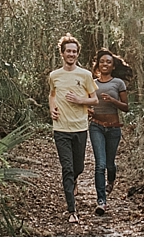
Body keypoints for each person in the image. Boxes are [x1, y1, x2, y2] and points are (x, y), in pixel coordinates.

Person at [48, 33, 97, 224]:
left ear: (78, 54)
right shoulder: (54, 76)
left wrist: (80, 100)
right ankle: (72, 210)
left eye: (74, 51)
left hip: (80, 127)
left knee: (78, 167)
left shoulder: (85, 75)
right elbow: (52, 95)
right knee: (67, 168)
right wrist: (52, 109)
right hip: (61, 129)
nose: (71, 54)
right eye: (68, 51)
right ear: (62, 53)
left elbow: (94, 99)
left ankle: (75, 180)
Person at [88, 47, 132, 216]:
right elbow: (88, 104)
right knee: (100, 164)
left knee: (109, 164)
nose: (105, 64)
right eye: (102, 61)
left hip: (113, 128)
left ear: (113, 66)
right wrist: (89, 111)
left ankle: (111, 179)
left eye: (108, 62)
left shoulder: (118, 83)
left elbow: (126, 108)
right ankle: (101, 201)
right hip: (96, 126)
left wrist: (113, 100)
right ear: (98, 65)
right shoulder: (92, 83)